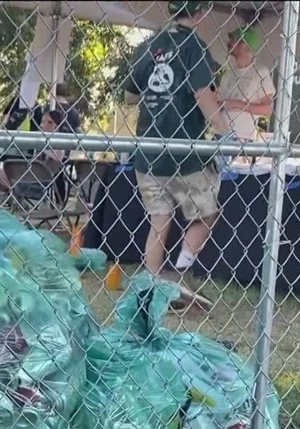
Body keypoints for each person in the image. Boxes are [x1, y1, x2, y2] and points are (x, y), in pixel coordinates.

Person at [121, 1, 223, 281]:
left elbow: (130, 96)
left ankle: (150, 282)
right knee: (206, 214)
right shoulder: (194, 47)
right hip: (184, 154)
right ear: (201, 14)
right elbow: (202, 94)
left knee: (159, 220)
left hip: (149, 153)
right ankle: (180, 271)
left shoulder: (147, 46)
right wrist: (223, 129)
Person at [0, 109, 66, 202]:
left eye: (46, 122)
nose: (41, 125)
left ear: (55, 126)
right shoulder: (42, 139)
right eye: (42, 122)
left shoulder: (58, 142)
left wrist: (43, 147)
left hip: (34, 183)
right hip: (26, 178)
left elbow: (58, 157)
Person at [215, 26, 274, 153]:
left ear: (244, 45)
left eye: (233, 40)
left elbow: (267, 109)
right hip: (220, 133)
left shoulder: (260, 72)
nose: (229, 43)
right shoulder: (228, 74)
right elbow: (218, 102)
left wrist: (237, 105)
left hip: (242, 137)